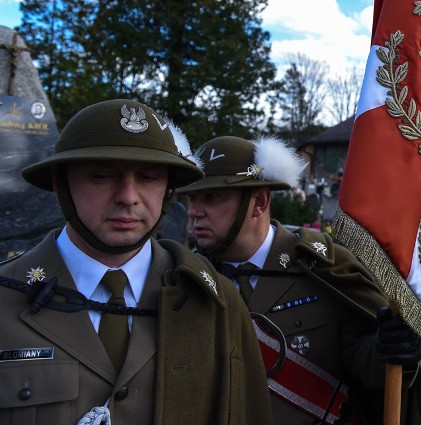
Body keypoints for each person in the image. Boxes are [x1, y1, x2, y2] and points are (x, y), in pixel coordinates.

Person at [0, 99, 272, 424]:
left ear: (168, 188)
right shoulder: (7, 297)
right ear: (61, 184)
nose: (128, 196)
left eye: (148, 177)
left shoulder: (217, 303)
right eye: (102, 175)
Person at [177, 135, 421, 425]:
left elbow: (363, 365)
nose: (195, 211)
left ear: (258, 202)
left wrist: (392, 349)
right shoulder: (186, 278)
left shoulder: (321, 267)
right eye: (192, 198)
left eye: (212, 197)